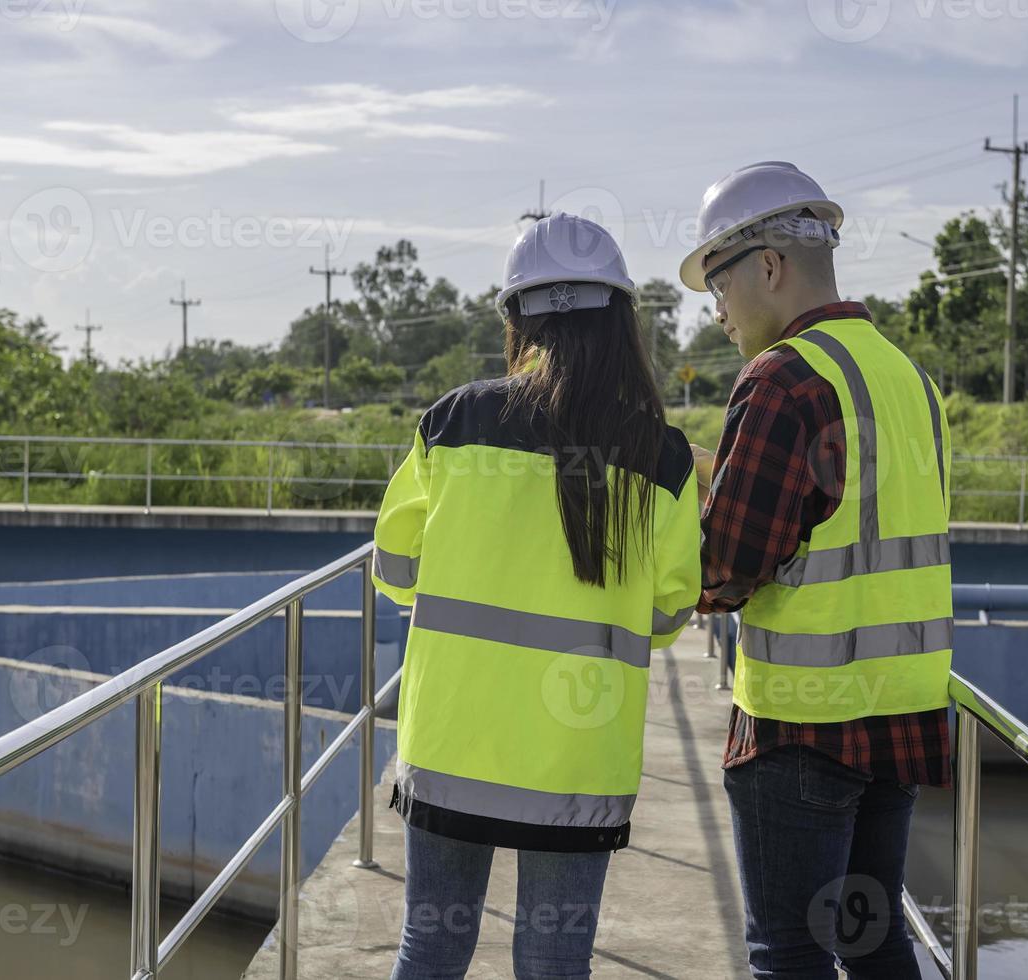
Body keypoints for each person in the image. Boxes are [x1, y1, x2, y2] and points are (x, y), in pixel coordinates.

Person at [372, 212, 702, 979]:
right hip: (576, 761)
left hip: (453, 745)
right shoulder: (661, 456)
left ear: (516, 318)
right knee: (554, 962)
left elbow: (393, 567)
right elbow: (666, 613)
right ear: (622, 321)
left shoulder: (452, 423)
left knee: (431, 947)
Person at [680, 162, 954, 979]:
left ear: (768, 266)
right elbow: (845, 516)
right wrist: (717, 470)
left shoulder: (781, 380)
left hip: (803, 727)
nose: (718, 312)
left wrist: (682, 516)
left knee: (788, 949)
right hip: (898, 713)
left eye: (718, 285)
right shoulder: (906, 377)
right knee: (874, 943)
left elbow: (724, 571)